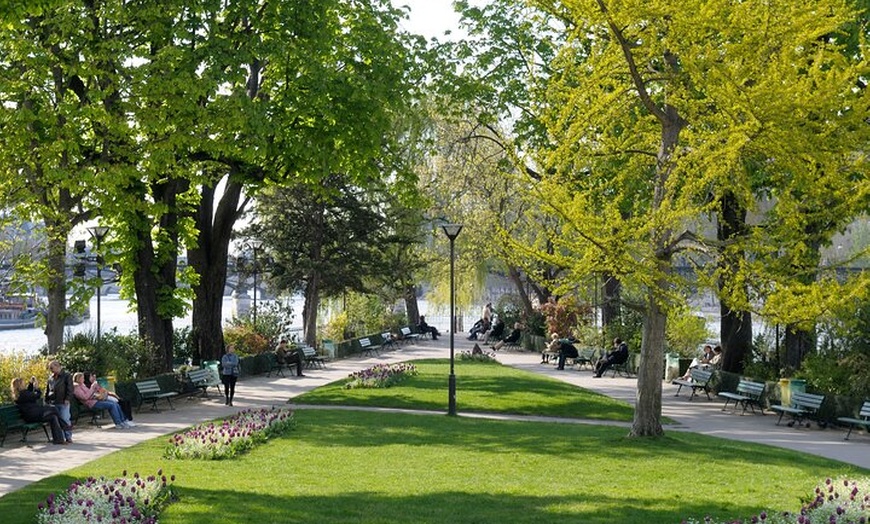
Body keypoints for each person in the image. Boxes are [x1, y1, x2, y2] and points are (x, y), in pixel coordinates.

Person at [10, 376, 68, 445]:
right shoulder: (23, 394)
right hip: (33, 415)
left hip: (31, 415)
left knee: (53, 417)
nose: (24, 384)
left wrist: (31, 384)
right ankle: (64, 426)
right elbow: (37, 396)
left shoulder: (19, 394)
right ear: (20, 385)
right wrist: (37, 388)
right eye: (23, 383)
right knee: (53, 408)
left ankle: (58, 439)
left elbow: (29, 393)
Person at [46, 360, 74, 443]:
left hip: (63, 401)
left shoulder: (66, 376)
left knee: (65, 419)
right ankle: (60, 437)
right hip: (53, 402)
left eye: (52, 368)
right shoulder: (51, 377)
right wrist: (46, 399)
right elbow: (48, 389)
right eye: (50, 368)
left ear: (57, 366)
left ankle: (68, 436)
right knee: (57, 420)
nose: (51, 370)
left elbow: (70, 388)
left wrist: (68, 399)